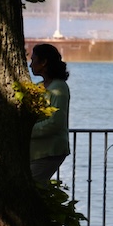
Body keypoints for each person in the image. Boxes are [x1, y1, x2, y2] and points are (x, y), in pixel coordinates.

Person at [29, 43, 71, 182]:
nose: (30, 65)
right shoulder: (39, 87)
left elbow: (55, 122)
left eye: (33, 60)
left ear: (44, 62)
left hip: (50, 151)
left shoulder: (59, 87)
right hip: (38, 151)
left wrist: (27, 131)